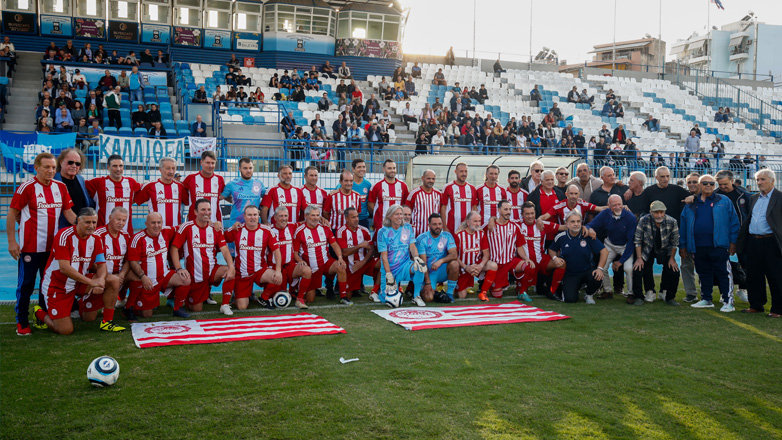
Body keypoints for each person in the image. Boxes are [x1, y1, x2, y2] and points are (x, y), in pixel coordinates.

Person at [8, 153, 77, 335]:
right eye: (47, 167)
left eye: (53, 167)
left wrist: (84, 226)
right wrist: (12, 242)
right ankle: (22, 322)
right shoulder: (26, 188)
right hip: (30, 247)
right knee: (26, 284)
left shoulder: (60, 187)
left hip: (53, 249)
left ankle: (41, 315)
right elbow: (11, 213)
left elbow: (69, 213)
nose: (51, 171)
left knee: (47, 285)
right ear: (36, 168)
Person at [31, 208, 126, 334]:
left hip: (80, 282)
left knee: (113, 280)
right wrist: (92, 282)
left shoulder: (96, 239)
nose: (91, 226)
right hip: (58, 286)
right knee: (65, 330)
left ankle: (107, 321)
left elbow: (102, 265)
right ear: (78, 221)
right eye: (87, 222)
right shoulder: (64, 235)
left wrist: (101, 280)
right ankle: (39, 313)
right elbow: (64, 268)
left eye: (94, 222)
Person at [679, 174, 740, 311]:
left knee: (723, 272)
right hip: (698, 246)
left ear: (715, 185)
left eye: (711, 183)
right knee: (703, 273)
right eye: (705, 183)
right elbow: (683, 226)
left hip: (719, 245)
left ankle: (728, 301)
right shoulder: (691, 204)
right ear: (699, 185)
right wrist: (683, 245)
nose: (708, 186)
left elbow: (734, 222)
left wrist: (733, 242)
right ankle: (706, 298)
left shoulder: (723, 201)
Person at [171, 199, 236, 315]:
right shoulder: (187, 227)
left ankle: (225, 305)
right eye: (203, 210)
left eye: (209, 209)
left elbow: (225, 250)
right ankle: (194, 296)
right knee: (196, 309)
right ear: (195, 212)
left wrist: (231, 266)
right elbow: (174, 248)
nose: (206, 212)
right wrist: (179, 268)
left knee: (229, 270)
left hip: (211, 271)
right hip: (195, 275)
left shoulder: (215, 228)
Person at [124, 212, 191, 319]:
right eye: (153, 223)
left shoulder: (166, 232)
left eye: (159, 222)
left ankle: (177, 308)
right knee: (146, 315)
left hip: (164, 276)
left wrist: (210, 223)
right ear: (146, 224)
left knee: (185, 278)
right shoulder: (138, 238)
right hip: (148, 280)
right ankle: (130, 305)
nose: (156, 225)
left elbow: (183, 227)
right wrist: (143, 277)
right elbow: (133, 262)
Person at [736, 169, 782, 318]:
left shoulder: (780, 197)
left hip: (771, 242)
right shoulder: (754, 198)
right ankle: (756, 305)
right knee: (753, 275)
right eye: (758, 180)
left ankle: (777, 309)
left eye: (763, 179)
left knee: (775, 276)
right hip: (753, 241)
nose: (759, 183)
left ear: (772, 181)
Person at [223, 206, 282, 311]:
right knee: (242, 307)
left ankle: (263, 298)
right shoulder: (237, 229)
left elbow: (276, 251)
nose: (252, 217)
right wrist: (219, 225)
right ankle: (242, 293)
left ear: (258, 216)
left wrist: (278, 271)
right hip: (242, 273)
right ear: (244, 217)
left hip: (260, 270)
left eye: (255, 215)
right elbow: (220, 239)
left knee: (277, 278)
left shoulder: (266, 231)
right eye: (249, 215)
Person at [548, 210, 609, 304]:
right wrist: (555, 258)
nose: (576, 224)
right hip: (570, 273)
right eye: (572, 222)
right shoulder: (561, 237)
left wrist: (600, 268)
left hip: (587, 271)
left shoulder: (588, 235)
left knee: (598, 276)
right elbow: (551, 249)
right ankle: (575, 287)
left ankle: (589, 295)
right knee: (570, 300)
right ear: (567, 224)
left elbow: (604, 251)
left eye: (578, 221)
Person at [294, 205, 350, 304]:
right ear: (306, 216)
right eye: (313, 215)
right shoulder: (300, 231)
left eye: (317, 215)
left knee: (341, 266)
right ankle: (303, 286)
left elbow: (335, 244)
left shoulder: (325, 228)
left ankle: (343, 297)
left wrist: (340, 258)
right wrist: (300, 261)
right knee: (310, 300)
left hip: (325, 263)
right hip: (312, 268)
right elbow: (295, 253)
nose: (316, 218)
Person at [585, 195, 636, 299]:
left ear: (623, 204)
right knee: (602, 267)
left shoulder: (630, 217)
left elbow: (631, 242)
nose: (617, 207)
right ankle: (607, 291)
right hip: (610, 244)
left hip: (625, 246)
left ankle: (631, 293)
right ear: (608, 205)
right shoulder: (605, 213)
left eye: (619, 204)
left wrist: (620, 261)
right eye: (614, 205)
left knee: (629, 268)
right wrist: (590, 229)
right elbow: (590, 225)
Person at [631, 201, 680, 306]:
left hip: (665, 250)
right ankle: (642, 295)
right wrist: (639, 258)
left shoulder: (672, 221)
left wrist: (672, 258)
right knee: (638, 268)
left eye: (661, 212)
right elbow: (637, 240)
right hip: (647, 249)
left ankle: (668, 296)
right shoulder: (643, 220)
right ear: (651, 212)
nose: (659, 215)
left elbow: (674, 243)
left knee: (673, 270)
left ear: (664, 212)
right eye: (656, 212)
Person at [377, 205, 428, 307]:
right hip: (390, 269)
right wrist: (388, 274)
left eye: (401, 214)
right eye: (397, 214)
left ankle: (416, 296)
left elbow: (412, 246)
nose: (400, 216)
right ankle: (384, 291)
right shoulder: (382, 232)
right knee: (388, 301)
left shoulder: (408, 227)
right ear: (390, 216)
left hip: (405, 266)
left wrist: (417, 258)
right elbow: (384, 256)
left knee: (420, 267)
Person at [484, 200, 532, 301]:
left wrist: (526, 258)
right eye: (505, 209)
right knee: (498, 295)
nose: (508, 212)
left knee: (528, 266)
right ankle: (494, 284)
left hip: (511, 261)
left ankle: (522, 291)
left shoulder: (515, 227)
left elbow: (519, 247)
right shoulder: (489, 227)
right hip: (496, 265)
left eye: (510, 209)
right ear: (499, 210)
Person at [86, 155, 141, 234]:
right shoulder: (98, 183)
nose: (118, 169)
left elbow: (142, 192)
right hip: (102, 233)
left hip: (126, 232)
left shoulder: (131, 182)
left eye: (120, 166)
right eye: (114, 166)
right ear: (108, 167)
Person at [416, 214, 459, 303]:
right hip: (428, 272)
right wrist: (427, 283)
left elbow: (454, 254)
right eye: (434, 224)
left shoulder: (447, 236)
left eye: (439, 224)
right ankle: (435, 292)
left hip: (442, 270)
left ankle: (449, 294)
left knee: (455, 264)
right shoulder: (422, 239)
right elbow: (423, 263)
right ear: (429, 225)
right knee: (428, 298)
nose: (438, 226)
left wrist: (441, 261)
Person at [337, 207, 378, 299]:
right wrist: (360, 246)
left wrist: (363, 262)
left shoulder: (364, 230)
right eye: (353, 217)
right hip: (351, 267)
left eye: (357, 217)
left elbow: (371, 249)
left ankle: (376, 291)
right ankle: (352, 288)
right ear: (346, 218)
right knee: (347, 296)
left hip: (364, 263)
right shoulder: (341, 231)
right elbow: (345, 253)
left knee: (382, 264)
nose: (356, 219)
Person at [135, 157, 186, 228]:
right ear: (160, 170)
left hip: (175, 231)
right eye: (168, 168)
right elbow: (133, 201)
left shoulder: (180, 187)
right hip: (156, 231)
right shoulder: (150, 186)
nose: (171, 171)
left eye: (173, 168)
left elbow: (188, 202)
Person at [368, 159, 409, 233]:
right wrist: (380, 215)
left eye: (394, 168)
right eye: (389, 168)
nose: (392, 170)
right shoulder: (376, 186)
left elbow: (405, 205)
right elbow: (370, 205)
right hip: (381, 224)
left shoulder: (403, 186)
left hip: (398, 224)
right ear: (384, 169)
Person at [539, 184, 605, 225]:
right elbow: (545, 216)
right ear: (566, 194)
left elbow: (600, 208)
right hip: (564, 234)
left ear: (579, 194)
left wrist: (613, 206)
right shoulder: (560, 206)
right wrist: (539, 220)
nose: (573, 196)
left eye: (576, 194)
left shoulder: (582, 204)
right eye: (571, 193)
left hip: (580, 233)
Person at [404, 169, 441, 237]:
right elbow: (406, 212)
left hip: (433, 234)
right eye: (428, 178)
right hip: (417, 233)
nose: (431, 181)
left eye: (433, 179)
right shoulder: (414, 193)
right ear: (422, 178)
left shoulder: (439, 194)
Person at [350, 159, 372, 229]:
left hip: (363, 220)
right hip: (349, 220)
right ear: (353, 169)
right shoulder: (347, 183)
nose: (362, 169)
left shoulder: (368, 184)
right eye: (359, 167)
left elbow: (370, 203)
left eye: (364, 167)